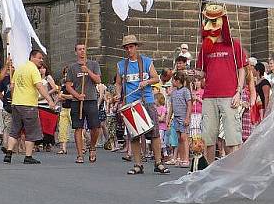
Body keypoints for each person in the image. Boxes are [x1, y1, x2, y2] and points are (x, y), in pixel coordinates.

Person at [197, 4, 248, 161]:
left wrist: (238, 92)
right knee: (208, 138)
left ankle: (234, 173)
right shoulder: (205, 47)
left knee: (233, 137)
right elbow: (202, 73)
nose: (210, 24)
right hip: (209, 96)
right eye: (208, 20)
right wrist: (193, 74)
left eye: (214, 20)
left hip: (229, 96)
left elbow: (242, 69)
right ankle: (209, 171)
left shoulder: (234, 45)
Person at [114, 34, 170, 175]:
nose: (129, 50)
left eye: (131, 47)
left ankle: (158, 163)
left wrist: (147, 82)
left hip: (147, 101)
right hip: (130, 103)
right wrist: (118, 94)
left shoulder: (146, 61)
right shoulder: (121, 65)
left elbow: (156, 77)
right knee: (134, 135)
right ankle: (138, 164)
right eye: (126, 48)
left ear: (136, 47)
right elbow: (118, 83)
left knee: (155, 133)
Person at [3, 49, 57, 164]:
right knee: (31, 131)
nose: (41, 60)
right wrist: (49, 100)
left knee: (15, 130)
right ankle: (28, 156)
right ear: (32, 57)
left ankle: (9, 153)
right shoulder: (33, 70)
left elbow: (12, 86)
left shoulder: (19, 69)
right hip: (29, 105)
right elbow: (40, 86)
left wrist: (14, 99)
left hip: (16, 103)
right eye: (39, 58)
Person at [65, 43, 103, 163]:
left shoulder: (93, 64)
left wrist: (88, 71)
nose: (82, 51)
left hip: (91, 99)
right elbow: (68, 86)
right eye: (79, 50)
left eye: (84, 49)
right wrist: (77, 95)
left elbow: (98, 80)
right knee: (78, 127)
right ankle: (80, 154)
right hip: (77, 101)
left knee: (95, 127)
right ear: (76, 52)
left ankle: (92, 147)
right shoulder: (72, 67)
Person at [167, 71, 192, 168]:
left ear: (177, 81)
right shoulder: (173, 92)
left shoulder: (185, 91)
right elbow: (171, 107)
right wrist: (168, 118)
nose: (172, 81)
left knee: (184, 138)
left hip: (183, 117)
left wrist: (187, 117)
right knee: (178, 139)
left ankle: (186, 158)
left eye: (173, 80)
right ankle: (181, 158)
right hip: (176, 118)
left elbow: (189, 104)